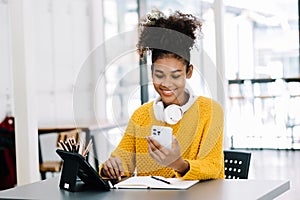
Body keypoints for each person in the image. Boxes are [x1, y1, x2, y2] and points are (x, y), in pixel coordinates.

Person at [99, 10, 224, 181]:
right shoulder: (141, 116)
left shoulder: (210, 111)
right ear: (151, 73)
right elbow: (123, 160)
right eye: (159, 75)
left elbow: (213, 166)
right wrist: (111, 168)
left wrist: (179, 164)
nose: (166, 84)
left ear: (189, 72)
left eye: (175, 75)